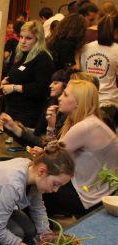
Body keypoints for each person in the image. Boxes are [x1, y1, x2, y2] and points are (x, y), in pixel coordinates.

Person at [31, 80, 118, 218]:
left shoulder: (85, 127)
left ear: (78, 102)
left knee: (34, 184)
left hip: (88, 198)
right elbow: (53, 151)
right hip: (95, 192)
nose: (60, 98)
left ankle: (41, 228)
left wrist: (49, 129)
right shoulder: (91, 122)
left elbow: (51, 156)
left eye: (65, 95)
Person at [0, 68, 72, 147]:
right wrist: (14, 126)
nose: (50, 85)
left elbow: (50, 146)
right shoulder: (51, 103)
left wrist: (16, 129)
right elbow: (40, 134)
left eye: (55, 83)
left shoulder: (65, 115)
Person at [1, 20, 54, 128]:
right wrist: (5, 82)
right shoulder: (22, 54)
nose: (23, 41)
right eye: (21, 37)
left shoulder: (43, 58)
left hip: (27, 115)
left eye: (28, 38)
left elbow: (41, 88)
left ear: (38, 40)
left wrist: (15, 87)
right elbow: (17, 76)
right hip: (12, 111)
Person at [81, 15, 118, 128]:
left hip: (86, 100)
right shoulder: (117, 49)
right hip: (109, 101)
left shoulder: (85, 48)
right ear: (115, 31)